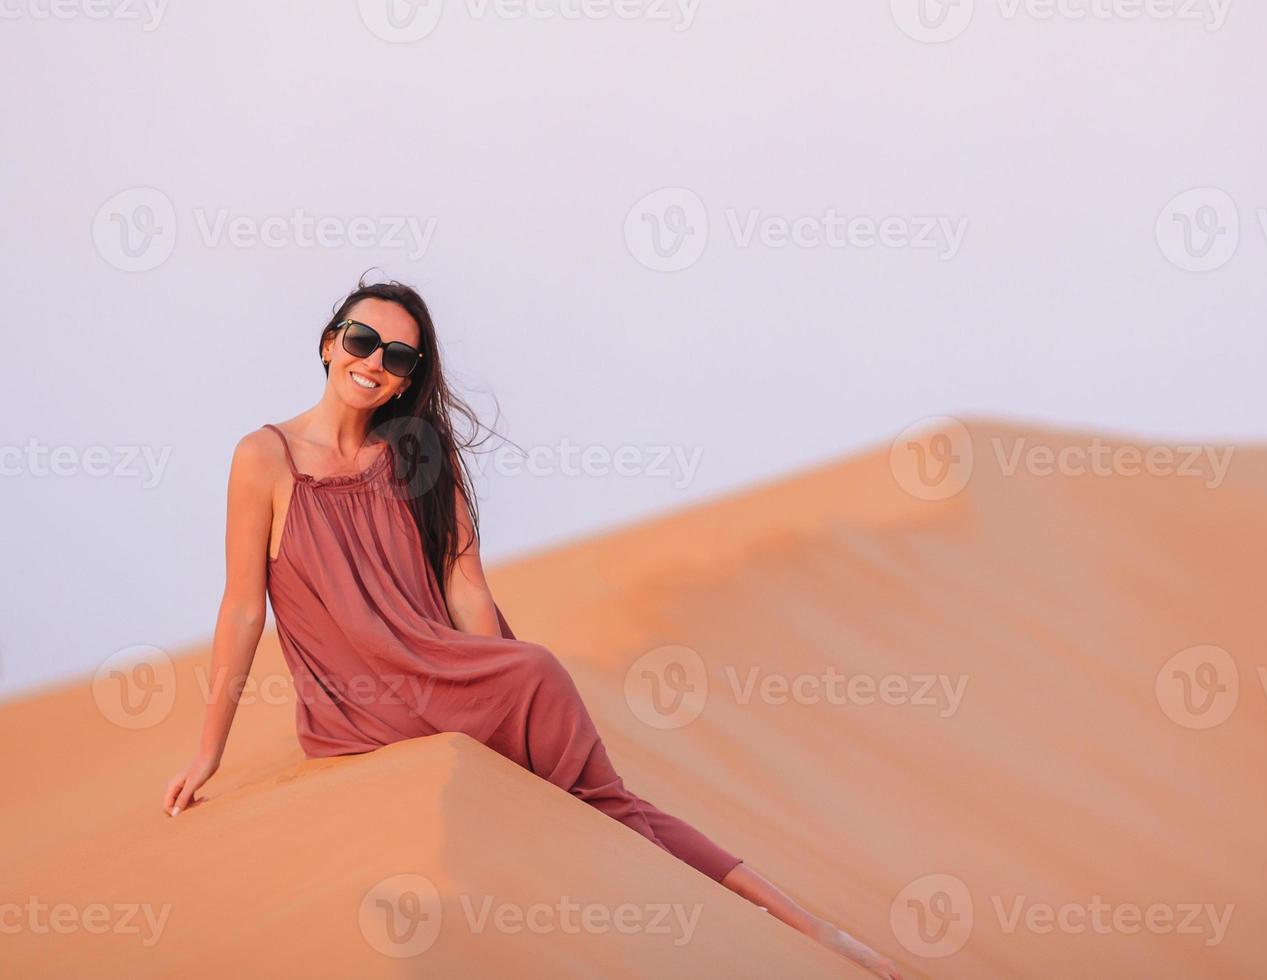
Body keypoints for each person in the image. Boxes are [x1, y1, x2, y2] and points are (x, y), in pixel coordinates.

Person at [162, 276, 903, 978]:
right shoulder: (265, 458)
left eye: (397, 357)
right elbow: (241, 609)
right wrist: (208, 752)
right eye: (361, 341)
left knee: (600, 793)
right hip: (353, 711)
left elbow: (464, 583)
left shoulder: (417, 454)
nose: (373, 364)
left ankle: (800, 928)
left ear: (410, 375)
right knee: (597, 786)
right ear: (329, 343)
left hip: (444, 678)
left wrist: (486, 685)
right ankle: (719, 919)